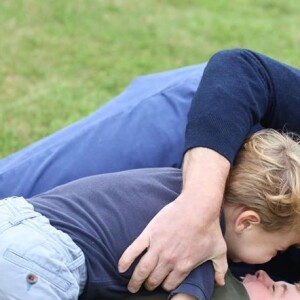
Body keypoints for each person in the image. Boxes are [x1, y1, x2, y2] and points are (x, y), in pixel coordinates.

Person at [1, 48, 300, 291]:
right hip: (209, 130)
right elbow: (241, 69)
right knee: (27, 207)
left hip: (239, 239)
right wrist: (197, 210)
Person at [1, 129, 300, 300]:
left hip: (17, 220)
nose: (274, 260)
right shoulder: (200, 242)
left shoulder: (182, 183)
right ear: (247, 221)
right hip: (41, 260)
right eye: (279, 248)